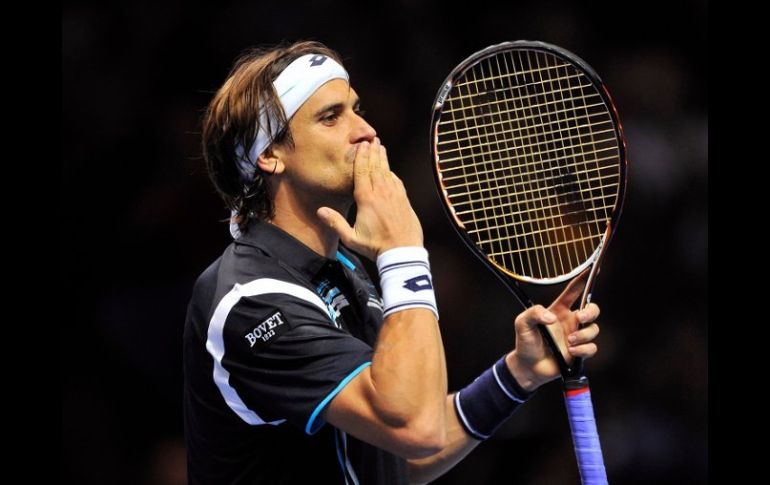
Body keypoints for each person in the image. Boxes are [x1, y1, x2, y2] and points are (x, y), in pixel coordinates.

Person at [183, 40, 601, 485]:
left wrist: (517, 374)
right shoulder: (250, 299)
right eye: (330, 117)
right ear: (269, 155)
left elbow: (400, 458)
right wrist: (403, 250)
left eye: (356, 108)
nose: (364, 130)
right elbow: (415, 427)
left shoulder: (345, 273)